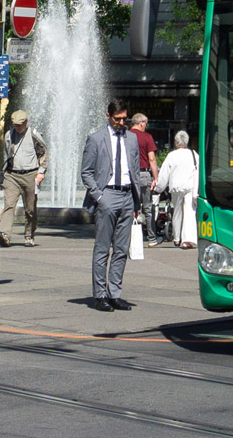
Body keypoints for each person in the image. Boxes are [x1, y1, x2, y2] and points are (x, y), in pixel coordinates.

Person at [80, 98, 140, 311]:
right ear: (108, 116)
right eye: (117, 119)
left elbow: (135, 169)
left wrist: (136, 200)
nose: (121, 123)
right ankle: (100, 295)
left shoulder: (131, 139)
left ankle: (115, 293)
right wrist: (99, 196)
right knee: (103, 248)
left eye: (124, 118)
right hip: (107, 196)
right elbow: (86, 172)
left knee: (122, 249)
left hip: (126, 196)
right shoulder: (96, 139)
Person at [0, 109, 47, 247]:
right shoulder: (9, 135)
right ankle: (5, 234)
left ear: (26, 122)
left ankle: (29, 235)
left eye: (20, 124)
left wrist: (41, 172)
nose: (18, 127)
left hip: (30, 174)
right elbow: (6, 153)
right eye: (15, 125)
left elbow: (44, 153)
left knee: (30, 208)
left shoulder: (34, 135)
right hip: (12, 175)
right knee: (9, 205)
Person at [153, 130, 200, 249]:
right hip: (190, 187)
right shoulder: (194, 154)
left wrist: (158, 188)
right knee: (190, 212)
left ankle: (177, 238)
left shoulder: (171, 156)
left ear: (175, 142)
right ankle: (188, 239)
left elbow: (164, 174)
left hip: (176, 188)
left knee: (177, 212)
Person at [129, 114, 161, 248]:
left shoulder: (125, 135)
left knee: (129, 207)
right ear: (141, 123)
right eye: (146, 123)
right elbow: (152, 159)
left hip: (128, 175)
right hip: (143, 174)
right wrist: (156, 178)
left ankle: (128, 237)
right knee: (147, 207)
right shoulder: (147, 137)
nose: (146, 126)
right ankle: (152, 238)